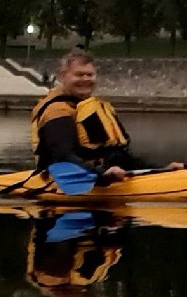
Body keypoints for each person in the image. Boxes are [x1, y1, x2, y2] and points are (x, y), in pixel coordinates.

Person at [33, 50, 136, 194]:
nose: (86, 79)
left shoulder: (94, 107)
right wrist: (102, 175)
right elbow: (64, 156)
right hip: (62, 179)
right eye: (79, 75)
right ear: (63, 76)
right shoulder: (56, 110)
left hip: (103, 174)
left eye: (90, 75)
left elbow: (119, 154)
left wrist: (163, 168)